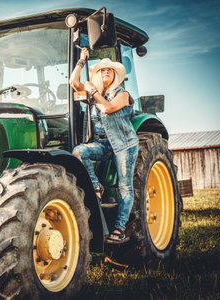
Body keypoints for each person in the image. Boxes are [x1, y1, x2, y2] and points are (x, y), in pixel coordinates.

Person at [70, 48, 139, 243]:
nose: (106, 72)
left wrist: (92, 91)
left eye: (109, 70)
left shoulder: (122, 94)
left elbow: (107, 108)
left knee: (125, 186)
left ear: (115, 75)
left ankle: (119, 228)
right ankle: (96, 186)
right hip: (102, 144)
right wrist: (81, 60)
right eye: (102, 70)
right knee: (78, 152)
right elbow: (73, 82)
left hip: (124, 145)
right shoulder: (95, 93)